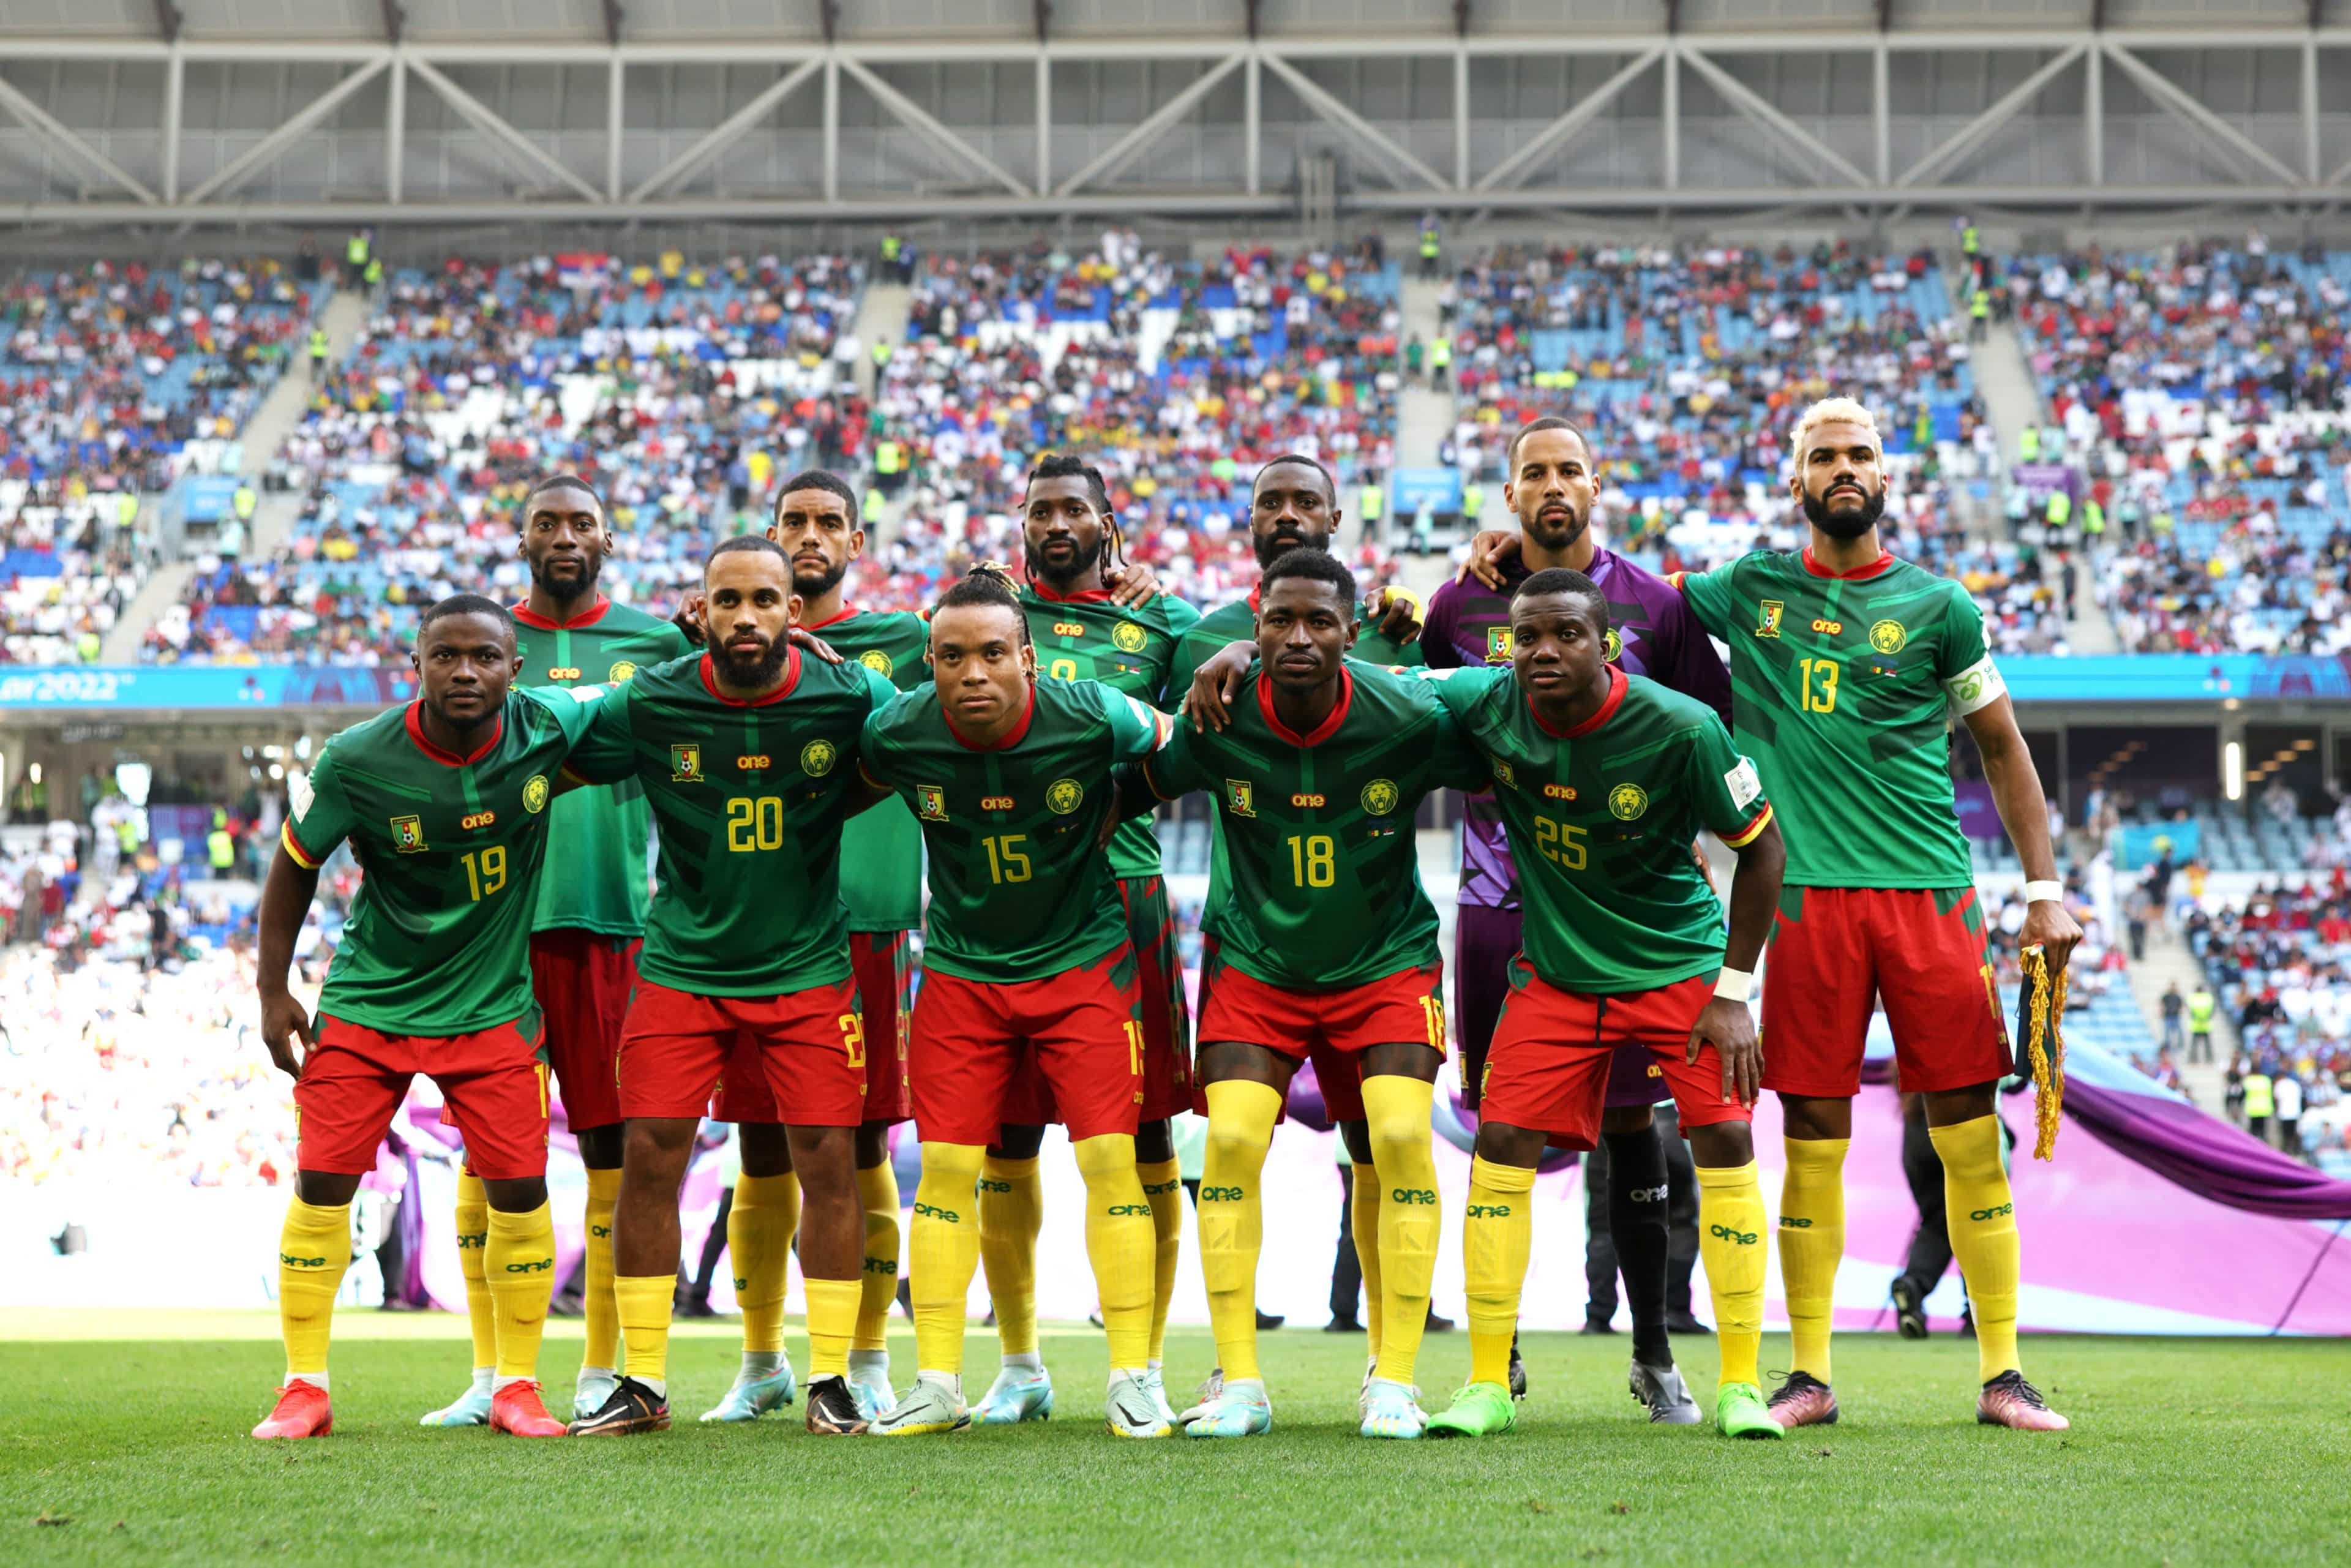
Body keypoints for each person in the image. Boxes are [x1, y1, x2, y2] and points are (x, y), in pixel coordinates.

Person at [1673, 397, 2081, 1433]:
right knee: (1811, 1130)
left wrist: (2043, 891)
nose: (1842, 468)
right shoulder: (1750, 589)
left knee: (1967, 1134)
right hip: (1801, 902)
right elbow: (1634, 605)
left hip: (1927, 896)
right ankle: (1808, 1373)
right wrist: (1499, 567)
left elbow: (2003, 747)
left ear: (1885, 479)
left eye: (1859, 454)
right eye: (1824, 456)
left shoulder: (1942, 606)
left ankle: (2003, 1374)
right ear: (1796, 481)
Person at [1402, 569, 1787, 1441]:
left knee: (1722, 1134)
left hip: (1677, 963)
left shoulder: (1682, 726)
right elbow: (1375, 686)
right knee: (1500, 1140)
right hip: (1563, 973)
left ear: (1606, 643)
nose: (1542, 651)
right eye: (1525, 636)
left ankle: (1741, 1385)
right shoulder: (1491, 701)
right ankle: (1487, 1384)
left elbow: (1762, 854)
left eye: (1565, 635)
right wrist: (1242, 652)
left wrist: (1733, 994)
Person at [1133, 547, 1486, 1439]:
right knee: (1233, 1143)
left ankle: (1393, 1379)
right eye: (1279, 620)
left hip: (1385, 962)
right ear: (1253, 627)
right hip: (1259, 963)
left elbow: (1503, 743)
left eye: (1319, 622)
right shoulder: (1214, 715)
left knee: (1402, 1137)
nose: (1299, 637)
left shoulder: (1406, 712)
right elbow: (1131, 783)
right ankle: (1240, 1383)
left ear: (1352, 632)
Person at [559, 538, 902, 1439]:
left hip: (807, 968)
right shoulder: (653, 699)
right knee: (650, 1158)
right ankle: (641, 1381)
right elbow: (542, 743)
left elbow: (931, 736)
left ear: (796, 609)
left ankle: (830, 1375)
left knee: (829, 1162)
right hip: (683, 967)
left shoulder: (852, 693)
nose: (745, 617)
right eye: (727, 600)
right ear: (700, 609)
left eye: (764, 599)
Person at [250, 595, 606, 1440]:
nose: (465, 672)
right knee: (323, 1182)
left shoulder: (546, 729)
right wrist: (272, 991)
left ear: (515, 671)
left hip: (490, 1007)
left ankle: (516, 1385)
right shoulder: (355, 759)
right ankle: (304, 1386)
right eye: (445, 656)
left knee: (520, 1190)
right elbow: (293, 867)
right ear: (417, 666)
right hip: (373, 999)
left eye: (485, 656)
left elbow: (646, 703)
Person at [1431, 417, 1728, 1422]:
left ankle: (1654, 1353)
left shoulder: (1659, 605)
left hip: (1626, 908)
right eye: (1533, 473)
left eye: (1568, 470)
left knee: (1632, 1128)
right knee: (1498, 1129)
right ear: (1510, 495)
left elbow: (1708, 734)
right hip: (1495, 900)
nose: (1552, 486)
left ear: (1597, 485)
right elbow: (1433, 714)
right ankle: (1495, 1359)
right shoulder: (1458, 601)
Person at [858, 566, 1176, 1439]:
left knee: (1111, 1161)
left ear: (1028, 660)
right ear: (930, 663)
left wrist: (1123, 805)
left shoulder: (1091, 711)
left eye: (993, 653)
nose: (972, 672)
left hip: (1082, 966)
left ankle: (1134, 1375)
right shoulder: (897, 730)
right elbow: (849, 776)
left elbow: (1181, 747)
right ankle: (937, 1381)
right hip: (962, 971)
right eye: (951, 656)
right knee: (951, 1174)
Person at [421, 475, 694, 1430]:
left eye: (582, 522)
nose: (565, 536)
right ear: (521, 537)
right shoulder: (481, 645)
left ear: (609, 537)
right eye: (548, 523)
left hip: (612, 925)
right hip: (492, 933)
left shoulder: (658, 644)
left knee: (612, 1151)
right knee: (487, 1155)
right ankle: (493, 1370)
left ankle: (599, 1366)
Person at [977, 454, 1199, 1430]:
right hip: (1001, 899)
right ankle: (1019, 1363)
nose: (1057, 522)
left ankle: (1137, 1362)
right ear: (1021, 523)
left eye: (1076, 509)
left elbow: (1209, 723)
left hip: (1123, 895)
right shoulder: (983, 617)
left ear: (1111, 523)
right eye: (1041, 510)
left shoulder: (1165, 621)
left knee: (1145, 1132)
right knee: (1002, 1136)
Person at [2274, 1068, 2304, 1158]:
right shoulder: (2295, 1084)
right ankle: (2295, 1150)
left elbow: (2277, 1099)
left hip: (2284, 1112)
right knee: (2293, 1132)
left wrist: (2277, 1110)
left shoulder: (2280, 1084)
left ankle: (2287, 1151)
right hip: (2295, 1112)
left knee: (2286, 1134)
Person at [2242, 1063, 2275, 1145]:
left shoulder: (2248, 1080)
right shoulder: (2266, 1080)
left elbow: (2243, 1094)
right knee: (2263, 1131)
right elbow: (2271, 1094)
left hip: (2252, 1108)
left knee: (2254, 1131)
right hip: (2264, 1108)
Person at [2188, 983, 2218, 1065]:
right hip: (2206, 1024)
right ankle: (2209, 1059)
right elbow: (2212, 1010)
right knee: (2207, 1044)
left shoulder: (2193, 998)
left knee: (2195, 1044)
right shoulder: (2208, 998)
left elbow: (2191, 1011)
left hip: (2196, 1024)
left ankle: (2193, 1060)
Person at [2160, 980, 2184, 1054]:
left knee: (2179, 1032)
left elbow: (2181, 1006)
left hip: (2176, 1016)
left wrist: (2180, 1012)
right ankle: (2168, 1046)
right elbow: (2162, 1005)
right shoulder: (2166, 996)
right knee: (2167, 1033)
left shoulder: (2178, 997)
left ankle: (2180, 1045)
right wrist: (2161, 1013)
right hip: (2168, 1016)